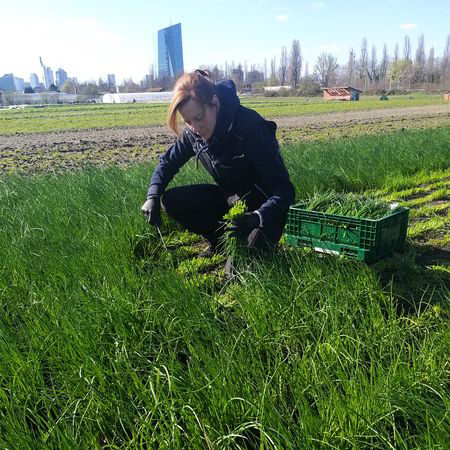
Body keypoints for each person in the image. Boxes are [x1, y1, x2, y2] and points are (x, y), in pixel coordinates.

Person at [141, 70, 295, 257]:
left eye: (198, 118)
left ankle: (255, 243)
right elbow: (167, 163)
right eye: (188, 121)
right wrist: (153, 195)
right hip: (231, 200)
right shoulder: (193, 134)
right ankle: (219, 244)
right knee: (171, 201)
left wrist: (257, 217)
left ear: (215, 102)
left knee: (243, 269)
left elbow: (285, 191)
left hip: (264, 210)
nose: (195, 128)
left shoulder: (250, 129)